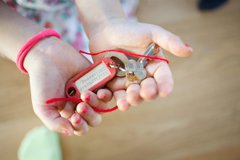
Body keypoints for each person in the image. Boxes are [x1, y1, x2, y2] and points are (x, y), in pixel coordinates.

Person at [0, 0, 193, 136]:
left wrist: (107, 21)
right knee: (81, 54)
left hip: (100, 6)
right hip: (20, 25)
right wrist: (36, 50)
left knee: (91, 47)